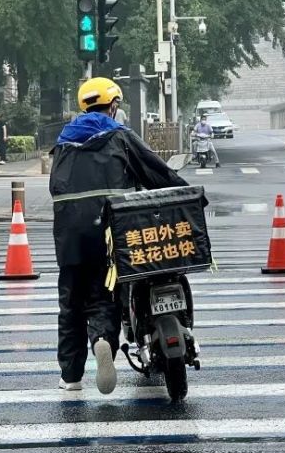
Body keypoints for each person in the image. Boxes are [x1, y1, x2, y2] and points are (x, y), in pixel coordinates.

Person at [49, 77, 189, 394]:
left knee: (70, 302)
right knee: (103, 296)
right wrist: (187, 193)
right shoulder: (119, 137)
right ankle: (102, 341)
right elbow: (156, 172)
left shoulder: (62, 145)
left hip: (69, 237)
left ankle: (71, 377)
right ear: (113, 106)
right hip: (109, 231)